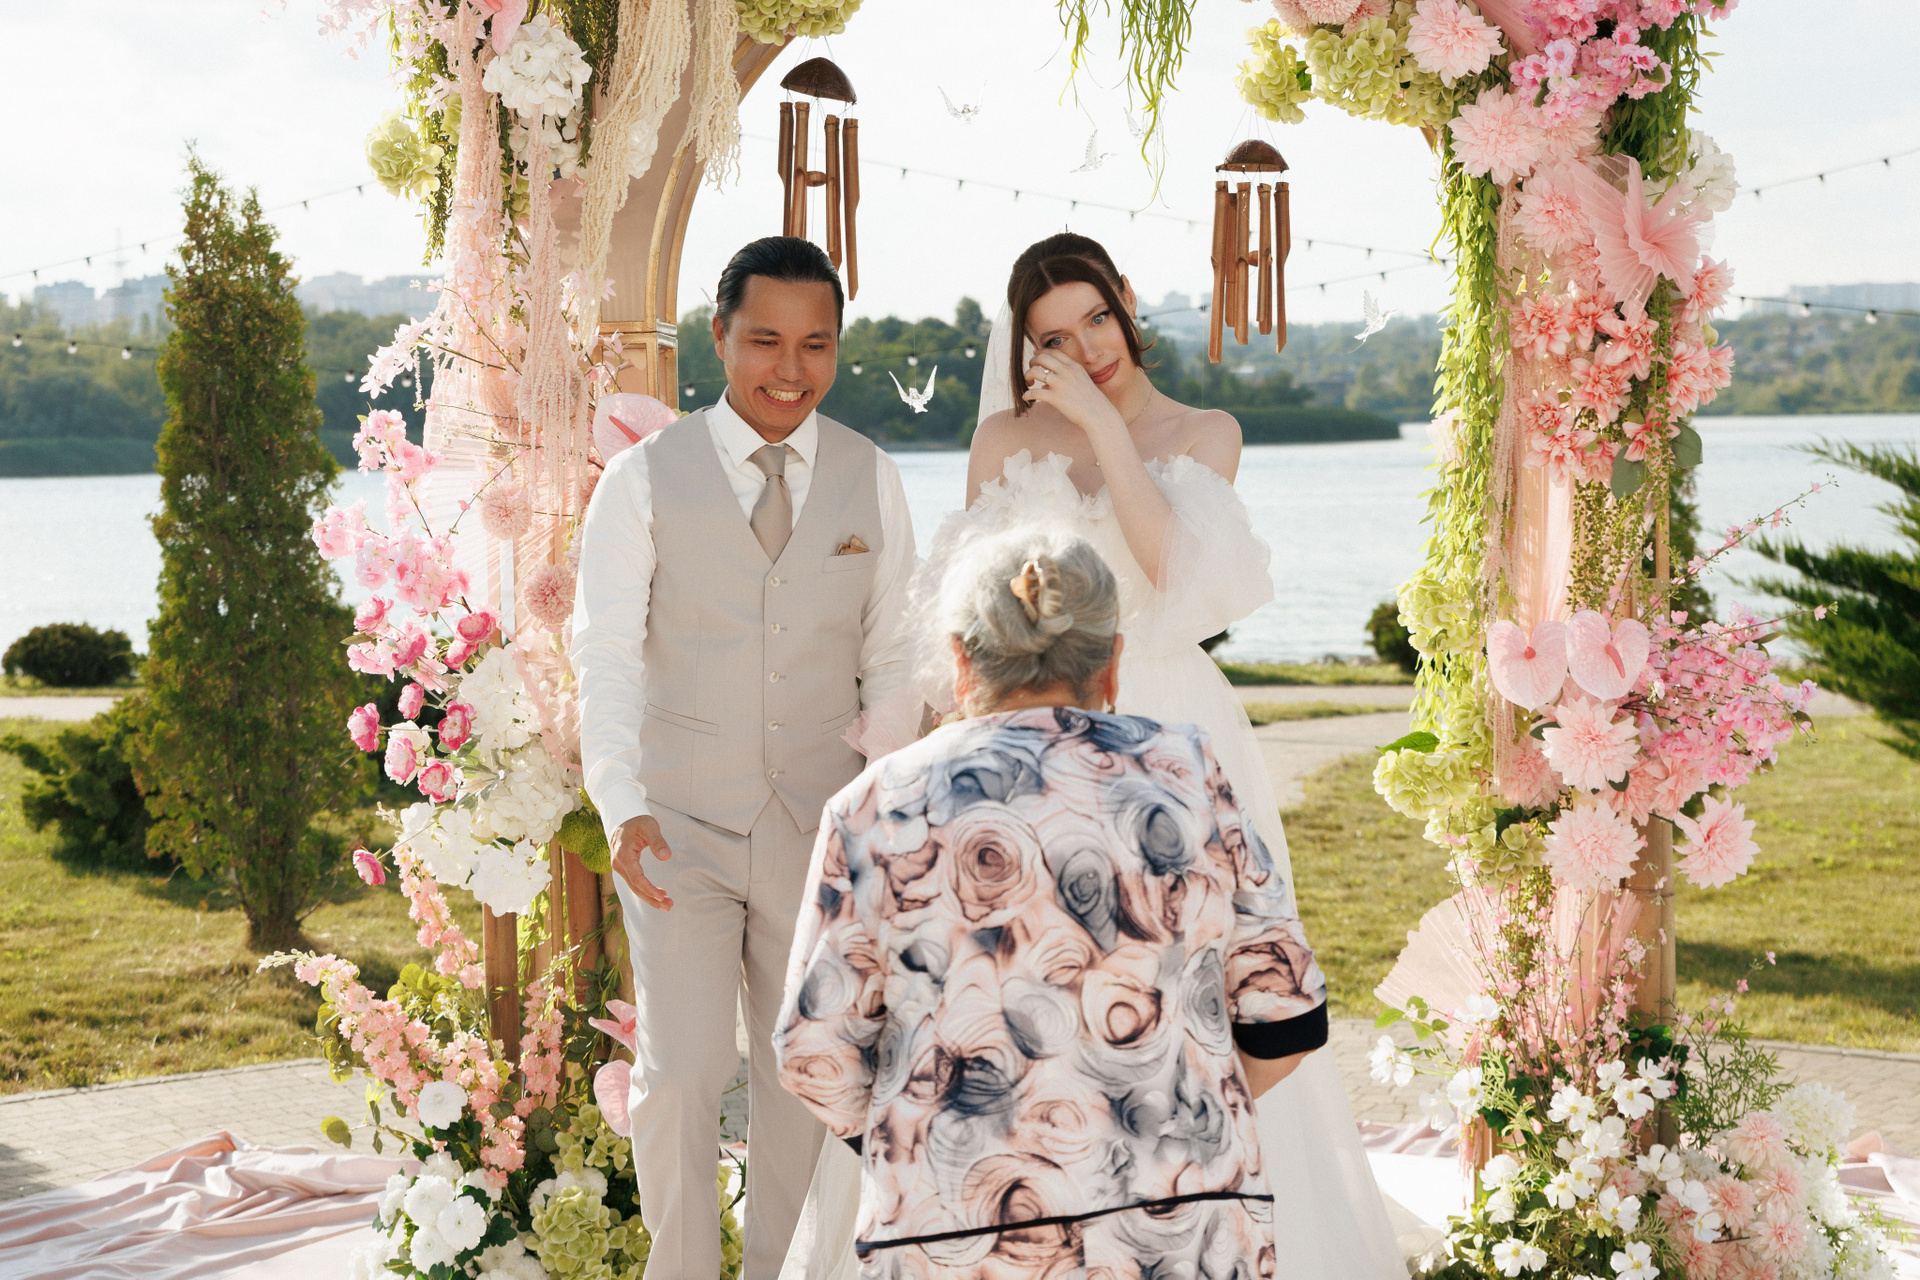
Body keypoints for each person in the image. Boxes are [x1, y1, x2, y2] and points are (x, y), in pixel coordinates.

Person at [925, 232, 1406, 1279]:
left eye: (1097, 318)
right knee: (1039, 983)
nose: (1087, 347)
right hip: (1030, 739)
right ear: (1027, 351)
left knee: (1186, 979)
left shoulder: (1204, 432)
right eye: (1056, 338)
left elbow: (1175, 584)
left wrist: (1104, 424)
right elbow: (969, 607)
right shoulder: (1003, 438)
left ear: (1128, 302)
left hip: (1171, 725)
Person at [775, 529, 1330, 1280]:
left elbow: (814, 1054)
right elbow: (1287, 1015)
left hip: (954, 1238)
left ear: (960, 661)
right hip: (1187, 1227)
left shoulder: (875, 803)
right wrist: (1172, 1125)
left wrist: (918, 1142)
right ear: (1112, 663)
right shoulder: (1188, 771)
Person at [571, 235, 917, 1280]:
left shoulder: (871, 475)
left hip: (821, 829)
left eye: (816, 345)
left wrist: (884, 806)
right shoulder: (641, 480)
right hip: (677, 824)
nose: (790, 369)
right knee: (680, 1070)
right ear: (719, 335)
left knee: (806, 1072)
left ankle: (772, 1272)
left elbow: (892, 653)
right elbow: (604, 653)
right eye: (765, 339)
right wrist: (620, 801)